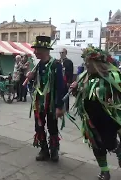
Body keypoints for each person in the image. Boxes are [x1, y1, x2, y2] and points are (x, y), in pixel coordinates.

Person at [69, 47, 121, 180]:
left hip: (108, 119)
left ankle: (119, 151)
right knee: (96, 145)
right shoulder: (84, 77)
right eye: (85, 62)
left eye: (88, 62)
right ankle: (105, 171)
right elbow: (81, 97)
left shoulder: (112, 76)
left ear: (98, 63)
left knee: (110, 144)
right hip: (90, 118)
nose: (86, 64)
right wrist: (75, 90)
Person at [26, 36, 65, 162]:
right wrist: (31, 77)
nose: (34, 52)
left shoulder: (56, 65)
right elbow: (36, 85)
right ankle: (44, 150)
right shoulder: (38, 66)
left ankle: (54, 151)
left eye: (36, 49)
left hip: (51, 103)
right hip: (39, 103)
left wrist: (59, 106)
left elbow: (61, 87)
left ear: (44, 50)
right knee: (39, 126)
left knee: (52, 127)